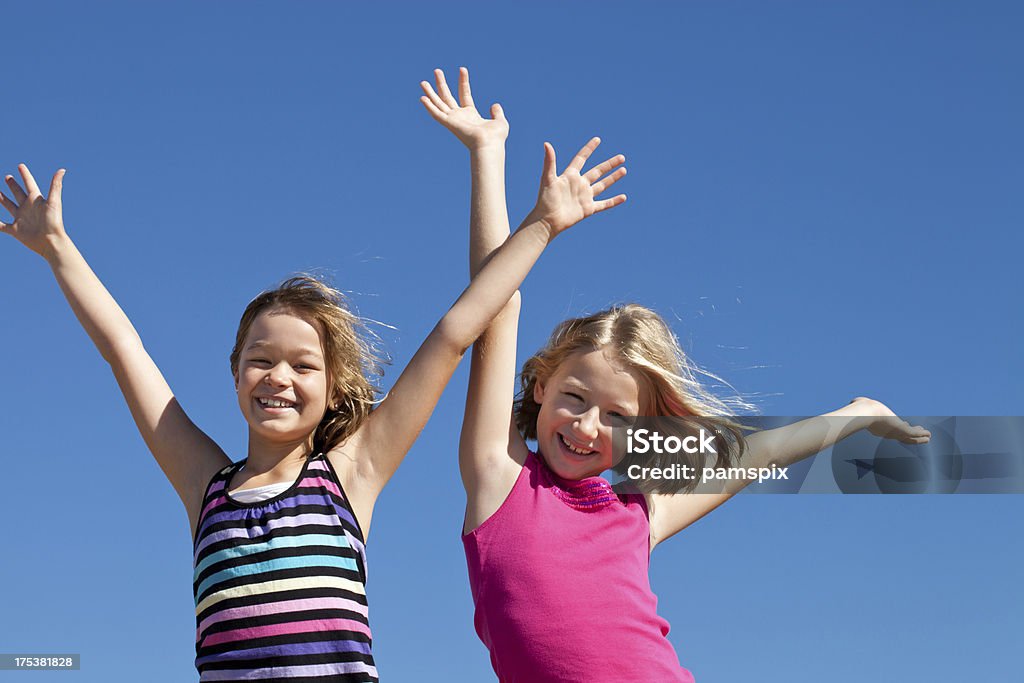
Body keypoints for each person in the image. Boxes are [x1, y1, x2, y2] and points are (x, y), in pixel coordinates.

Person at [0, 106, 626, 683]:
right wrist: (58, 248)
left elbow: (456, 333)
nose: (278, 377)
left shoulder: (352, 473)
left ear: (333, 391)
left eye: (303, 366)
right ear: (234, 373)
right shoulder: (205, 486)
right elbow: (124, 351)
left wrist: (542, 224)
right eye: (260, 360)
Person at [421, 67, 931, 683]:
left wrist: (855, 416)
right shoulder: (499, 477)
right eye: (576, 398)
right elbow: (493, 312)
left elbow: (751, 458)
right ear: (540, 387)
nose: (587, 426)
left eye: (617, 417)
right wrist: (491, 160)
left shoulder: (638, 512)